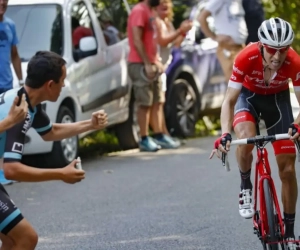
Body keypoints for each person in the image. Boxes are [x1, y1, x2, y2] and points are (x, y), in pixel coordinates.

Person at [0, 50, 108, 250]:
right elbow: (11, 170)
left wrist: (90, 125)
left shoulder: (27, 101)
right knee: (26, 238)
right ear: (50, 85)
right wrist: (61, 173)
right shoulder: (19, 110)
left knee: (12, 240)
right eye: (62, 80)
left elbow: (50, 132)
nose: (64, 85)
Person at [210, 17, 300, 249]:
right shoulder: (245, 57)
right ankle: (245, 186)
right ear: (261, 45)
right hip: (247, 98)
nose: (277, 56)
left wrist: (298, 125)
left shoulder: (295, 62)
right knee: (245, 137)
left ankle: (289, 232)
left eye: (283, 50)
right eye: (271, 49)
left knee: (288, 168)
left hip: (278, 103)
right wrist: (225, 133)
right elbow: (229, 101)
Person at [127, 0, 180, 152]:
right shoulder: (139, 10)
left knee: (157, 100)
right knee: (144, 102)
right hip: (140, 64)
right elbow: (137, 39)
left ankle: (159, 135)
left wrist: (155, 62)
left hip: (153, 62)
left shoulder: (151, 11)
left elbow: (156, 40)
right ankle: (143, 138)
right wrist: (146, 63)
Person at [155, 0, 192, 141]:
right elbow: (163, 41)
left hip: (165, 66)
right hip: (157, 65)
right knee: (157, 103)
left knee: (161, 102)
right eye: (160, 3)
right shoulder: (156, 22)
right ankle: (162, 134)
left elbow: (175, 44)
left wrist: (183, 33)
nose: (164, 5)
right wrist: (180, 30)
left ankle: (165, 134)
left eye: (166, 3)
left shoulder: (167, 23)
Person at [0, 0, 24, 185]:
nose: (2, 4)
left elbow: (14, 54)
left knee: (6, 128)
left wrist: (21, 80)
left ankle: (3, 170)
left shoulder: (10, 25)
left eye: (5, 1)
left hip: (6, 84)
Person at [198, 0, 248, 83]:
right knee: (235, 82)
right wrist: (213, 37)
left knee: (244, 81)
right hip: (228, 47)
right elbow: (201, 17)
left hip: (239, 46)